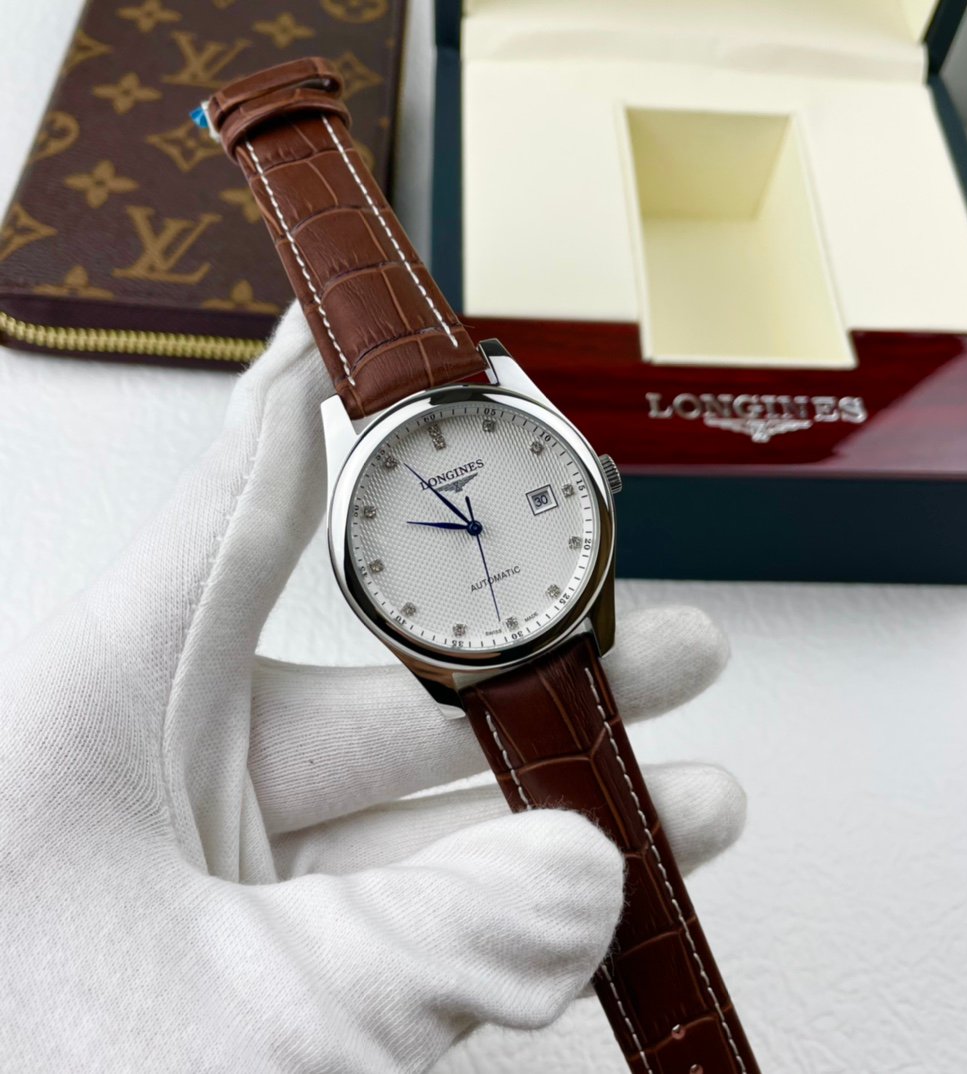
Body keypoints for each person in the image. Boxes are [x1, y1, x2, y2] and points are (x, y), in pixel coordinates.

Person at [0, 306, 747, 1071]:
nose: (473, 529)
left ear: (593, 476)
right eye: (452, 527)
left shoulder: (499, 392)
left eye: (475, 519)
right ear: (363, 552)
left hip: (544, 612)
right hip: (469, 646)